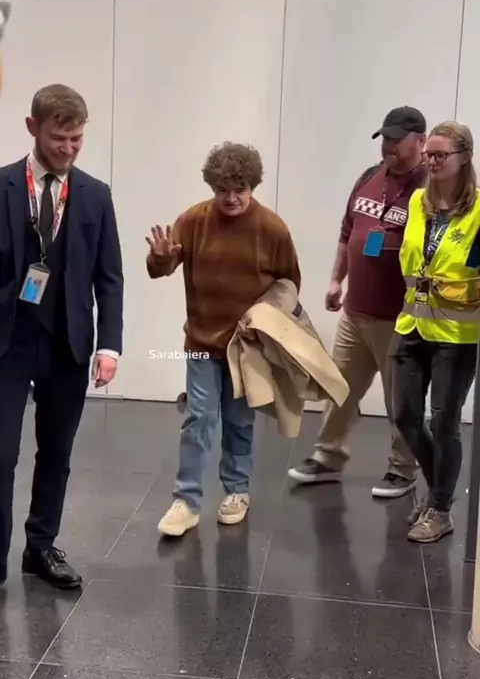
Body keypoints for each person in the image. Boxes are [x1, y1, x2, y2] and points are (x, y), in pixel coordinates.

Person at [0, 84, 123, 588]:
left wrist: (109, 345)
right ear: (33, 128)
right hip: (8, 342)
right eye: (58, 139)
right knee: (1, 455)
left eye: (77, 140)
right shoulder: (3, 186)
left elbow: (109, 278)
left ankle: (41, 548)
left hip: (67, 342)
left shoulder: (95, 194)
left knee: (56, 453)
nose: (68, 149)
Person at [146, 142, 301, 537]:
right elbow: (160, 268)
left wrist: (263, 314)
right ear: (212, 187)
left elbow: (289, 283)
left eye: (241, 189)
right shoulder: (193, 220)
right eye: (223, 190)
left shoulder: (272, 228)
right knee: (198, 417)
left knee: (238, 420)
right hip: (201, 340)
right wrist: (161, 257)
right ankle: (186, 501)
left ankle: (236, 491)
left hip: (246, 347)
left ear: (253, 185)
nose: (232, 198)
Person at [288, 106, 428, 497]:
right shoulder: (369, 178)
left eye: (397, 140)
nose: (388, 146)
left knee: (401, 399)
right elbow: (348, 232)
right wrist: (337, 280)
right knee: (339, 388)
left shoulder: (428, 188)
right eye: (385, 138)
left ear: (420, 141)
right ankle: (328, 456)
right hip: (355, 312)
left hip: (399, 317)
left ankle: (403, 469)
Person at [391, 121, 480, 544]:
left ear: (464, 158)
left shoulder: (478, 211)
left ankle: (440, 509)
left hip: (456, 336)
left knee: (444, 422)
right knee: (405, 416)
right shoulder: (418, 201)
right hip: (411, 324)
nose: (432, 161)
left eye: (441, 155)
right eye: (429, 155)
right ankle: (437, 491)